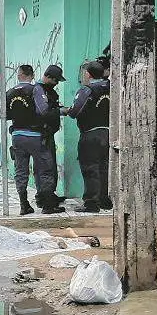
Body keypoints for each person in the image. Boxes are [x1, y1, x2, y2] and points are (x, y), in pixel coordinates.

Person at [6, 64, 64, 215]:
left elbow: (5, 115)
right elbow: (42, 110)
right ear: (32, 75)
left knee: (21, 171)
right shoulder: (36, 89)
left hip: (17, 136)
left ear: (19, 75)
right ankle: (47, 205)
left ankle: (24, 204)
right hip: (35, 136)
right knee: (45, 170)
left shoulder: (9, 92)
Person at [64, 61, 113, 213]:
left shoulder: (87, 90)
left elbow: (75, 111)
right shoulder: (112, 88)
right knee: (105, 168)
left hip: (91, 134)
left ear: (88, 74)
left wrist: (66, 110)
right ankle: (104, 200)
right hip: (108, 133)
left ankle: (91, 203)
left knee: (90, 168)